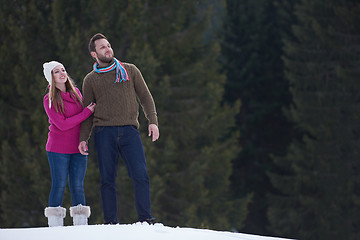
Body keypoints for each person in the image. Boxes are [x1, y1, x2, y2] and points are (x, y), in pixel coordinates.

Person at [78, 33, 159, 225]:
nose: (107, 49)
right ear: (94, 54)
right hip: (103, 132)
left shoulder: (129, 70)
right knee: (107, 179)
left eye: (108, 45)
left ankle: (146, 219)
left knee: (140, 175)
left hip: (130, 131)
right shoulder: (90, 80)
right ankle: (110, 223)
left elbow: (145, 97)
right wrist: (83, 138)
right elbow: (87, 112)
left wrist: (153, 121)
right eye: (102, 47)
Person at [42, 61, 96, 227]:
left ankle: (80, 225)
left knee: (78, 185)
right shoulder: (49, 99)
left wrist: (84, 138)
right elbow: (63, 124)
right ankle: (55, 225)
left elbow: (83, 121)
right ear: (51, 77)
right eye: (56, 72)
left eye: (63, 70)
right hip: (58, 149)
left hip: (79, 147)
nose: (61, 73)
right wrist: (86, 112)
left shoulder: (77, 93)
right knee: (59, 185)